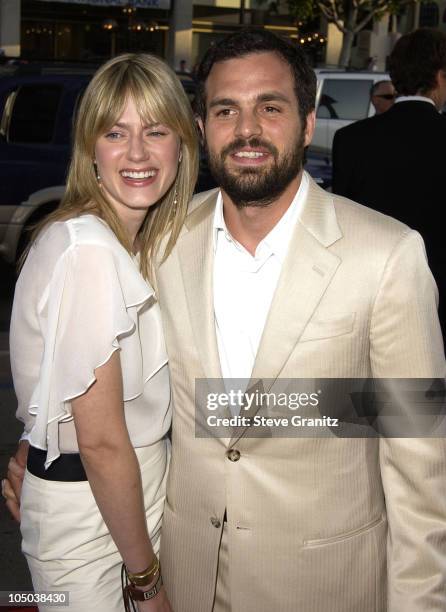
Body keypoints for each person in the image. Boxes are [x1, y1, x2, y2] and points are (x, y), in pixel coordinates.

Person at [4, 27, 446, 612]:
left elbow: (420, 459)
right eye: (225, 110)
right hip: (181, 571)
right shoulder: (157, 242)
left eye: (270, 107)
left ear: (307, 123)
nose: (247, 130)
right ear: (202, 127)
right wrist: (47, 460)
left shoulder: (387, 253)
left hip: (324, 583)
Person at [3, 53, 198, 611]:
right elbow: (102, 441)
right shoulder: (88, 250)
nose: (137, 153)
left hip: (112, 501)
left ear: (181, 145)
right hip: (97, 511)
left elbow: (56, 380)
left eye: (155, 131)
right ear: (90, 148)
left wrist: (27, 449)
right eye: (116, 133)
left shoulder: (113, 242)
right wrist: (147, 583)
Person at [332, 28, 446, 336]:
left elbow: (341, 222)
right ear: (439, 76)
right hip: (438, 296)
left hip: (369, 292)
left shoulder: (351, 140)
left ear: (394, 78)